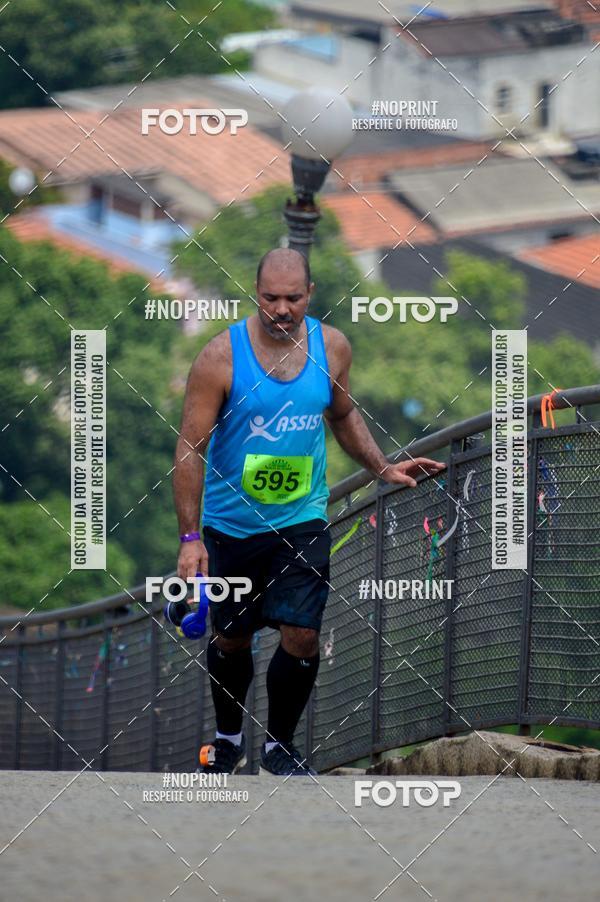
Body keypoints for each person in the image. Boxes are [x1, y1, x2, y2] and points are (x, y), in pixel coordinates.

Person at [173, 247, 445, 776]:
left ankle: (279, 746)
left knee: (302, 635)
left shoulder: (333, 347)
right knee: (233, 636)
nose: (282, 309)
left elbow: (342, 415)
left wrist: (381, 467)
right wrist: (190, 540)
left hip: (303, 519)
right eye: (271, 298)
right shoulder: (219, 358)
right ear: (257, 294)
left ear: (309, 295)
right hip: (232, 525)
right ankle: (228, 739)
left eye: (292, 298)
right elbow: (189, 449)